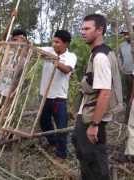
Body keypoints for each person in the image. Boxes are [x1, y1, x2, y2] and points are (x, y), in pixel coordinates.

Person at [72, 14, 122, 179]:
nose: (83, 32)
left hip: (92, 117)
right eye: (82, 28)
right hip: (88, 113)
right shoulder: (100, 53)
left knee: (93, 160)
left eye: (87, 28)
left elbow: (105, 92)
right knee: (84, 152)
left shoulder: (100, 57)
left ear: (100, 30)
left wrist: (94, 124)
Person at [39, 30, 77, 160]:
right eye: (53, 41)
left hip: (59, 98)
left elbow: (67, 70)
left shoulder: (71, 56)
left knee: (61, 127)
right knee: (44, 123)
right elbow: (32, 49)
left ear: (66, 43)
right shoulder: (48, 50)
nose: (54, 44)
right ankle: (53, 142)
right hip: (44, 96)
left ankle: (61, 154)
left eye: (57, 42)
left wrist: (55, 61)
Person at [119, 24, 134, 120]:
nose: (125, 36)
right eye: (124, 34)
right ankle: (126, 116)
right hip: (126, 73)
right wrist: (121, 67)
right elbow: (120, 57)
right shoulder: (122, 46)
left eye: (127, 34)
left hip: (133, 73)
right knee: (127, 95)